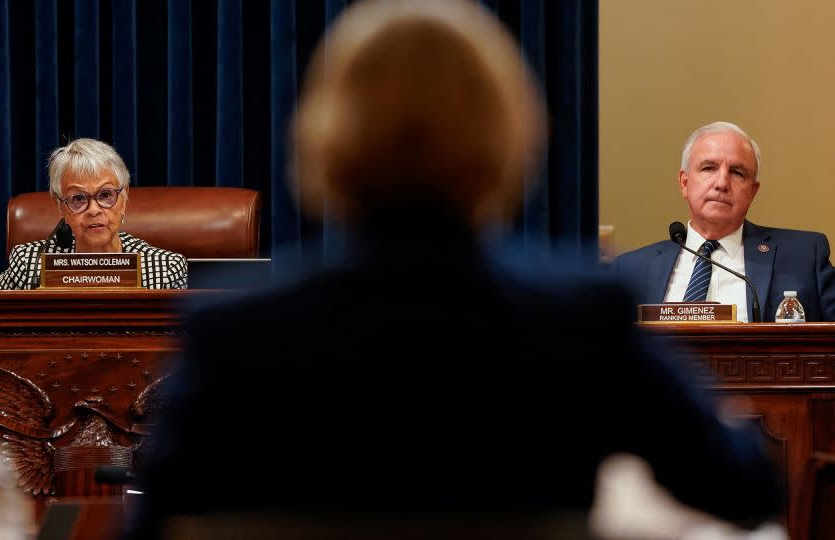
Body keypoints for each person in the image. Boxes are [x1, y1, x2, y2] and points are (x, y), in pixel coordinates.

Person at [130, 1, 780, 537]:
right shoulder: (582, 318)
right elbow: (747, 489)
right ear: (506, 136)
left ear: (326, 136)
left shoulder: (233, 334)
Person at [613, 121, 835, 322]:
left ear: (753, 191)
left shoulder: (802, 257)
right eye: (709, 168)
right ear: (684, 182)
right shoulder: (634, 269)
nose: (722, 183)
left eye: (737, 172)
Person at [0, 138, 187, 290]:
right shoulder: (30, 263)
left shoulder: (164, 268)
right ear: (61, 206)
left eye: (105, 195)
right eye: (78, 198)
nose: (94, 210)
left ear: (125, 197)